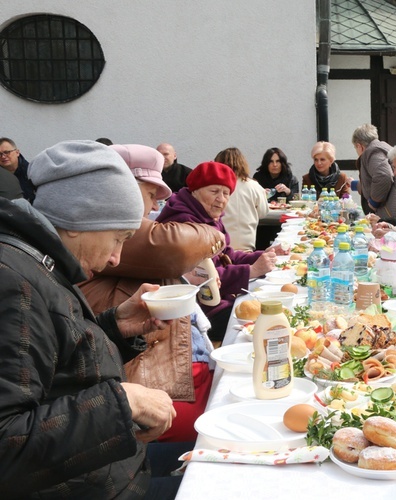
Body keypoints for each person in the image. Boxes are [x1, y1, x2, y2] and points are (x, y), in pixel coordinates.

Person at [0, 140, 177, 497]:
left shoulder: (40, 263)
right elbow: (7, 445)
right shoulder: (14, 282)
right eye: (118, 238)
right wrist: (125, 401)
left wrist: (113, 328)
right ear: (79, 219)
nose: (116, 258)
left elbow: (55, 370)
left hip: (110, 470)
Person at [80, 144, 225, 444]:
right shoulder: (105, 227)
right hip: (150, 377)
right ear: (120, 191)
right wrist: (216, 234)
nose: (153, 207)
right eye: (149, 195)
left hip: (161, 363)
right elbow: (176, 247)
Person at [157, 161, 282, 341]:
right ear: (195, 191)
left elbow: (227, 255)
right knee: (269, 326)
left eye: (226, 193)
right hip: (201, 314)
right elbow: (203, 278)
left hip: (219, 301)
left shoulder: (208, 216)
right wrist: (252, 271)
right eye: (214, 191)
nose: (221, 199)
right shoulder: (184, 224)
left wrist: (262, 256)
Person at [217, 147, 269, 251]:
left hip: (221, 244)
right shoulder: (254, 186)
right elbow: (263, 213)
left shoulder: (215, 188)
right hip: (247, 244)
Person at [352, 123, 396, 221]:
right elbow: (370, 182)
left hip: (390, 210)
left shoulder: (372, 151)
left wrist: (374, 202)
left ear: (359, 146)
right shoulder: (382, 148)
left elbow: (383, 176)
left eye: (355, 148)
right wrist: (354, 184)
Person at [0, 137, 35, 202]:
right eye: (0, 154)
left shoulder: (32, 172)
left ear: (17, 152)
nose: (3, 156)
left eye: (7, 152)